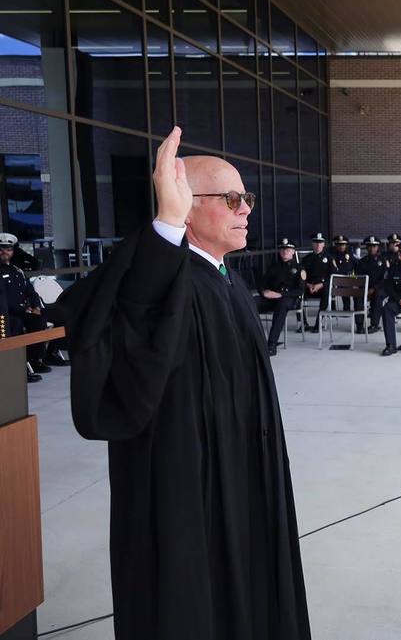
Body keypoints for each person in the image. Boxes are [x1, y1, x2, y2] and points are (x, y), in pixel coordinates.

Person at [57, 127, 311, 640]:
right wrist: (166, 222)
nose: (246, 210)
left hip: (242, 473)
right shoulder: (165, 281)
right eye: (232, 198)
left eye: (248, 198)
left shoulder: (224, 278)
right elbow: (129, 308)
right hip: (185, 485)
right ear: (188, 208)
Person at [0, 232, 65, 376]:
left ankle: (43, 356)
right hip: (6, 314)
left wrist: (36, 306)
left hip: (23, 311)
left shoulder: (18, 272)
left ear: (12, 251)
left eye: (8, 249)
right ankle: (21, 366)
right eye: (1, 248)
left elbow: (32, 293)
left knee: (54, 317)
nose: (5, 252)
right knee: (17, 324)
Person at [256, 238, 304, 356]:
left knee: (281, 306)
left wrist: (281, 294)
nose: (285, 252)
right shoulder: (273, 267)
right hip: (271, 298)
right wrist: (264, 292)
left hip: (289, 299)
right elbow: (262, 283)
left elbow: (300, 290)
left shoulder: (299, 268)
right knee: (251, 303)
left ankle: (272, 344)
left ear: (293, 252)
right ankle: (251, 340)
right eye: (282, 249)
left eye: (288, 249)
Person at [299, 232, 331, 331]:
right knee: (296, 293)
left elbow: (332, 276)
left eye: (320, 242)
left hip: (322, 288)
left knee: (326, 294)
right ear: (312, 244)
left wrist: (321, 285)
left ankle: (318, 324)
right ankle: (303, 324)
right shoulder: (306, 259)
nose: (318, 245)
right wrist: (308, 285)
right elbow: (301, 276)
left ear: (324, 244)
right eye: (316, 242)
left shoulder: (329, 259)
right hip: (309, 287)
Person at [355, 235, 386, 334]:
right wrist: (364, 289)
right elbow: (358, 278)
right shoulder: (361, 262)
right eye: (369, 246)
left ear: (377, 247)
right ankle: (359, 325)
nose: (372, 248)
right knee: (357, 296)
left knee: (378, 294)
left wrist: (374, 289)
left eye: (374, 246)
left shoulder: (383, 261)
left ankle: (374, 324)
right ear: (367, 247)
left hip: (379, 288)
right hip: (365, 288)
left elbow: (385, 279)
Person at [329, 235, 357, 311]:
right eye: (339, 245)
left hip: (347, 278)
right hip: (335, 278)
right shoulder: (331, 253)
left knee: (347, 286)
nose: (341, 247)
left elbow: (356, 264)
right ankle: (332, 308)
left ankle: (347, 308)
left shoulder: (349, 253)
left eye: (343, 245)